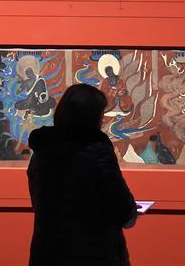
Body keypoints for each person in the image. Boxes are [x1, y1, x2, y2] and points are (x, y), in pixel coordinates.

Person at [27, 83, 137, 266]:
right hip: (94, 255)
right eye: (100, 115)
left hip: (48, 254)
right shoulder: (98, 154)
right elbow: (124, 211)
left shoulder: (41, 153)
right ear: (92, 117)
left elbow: (40, 204)